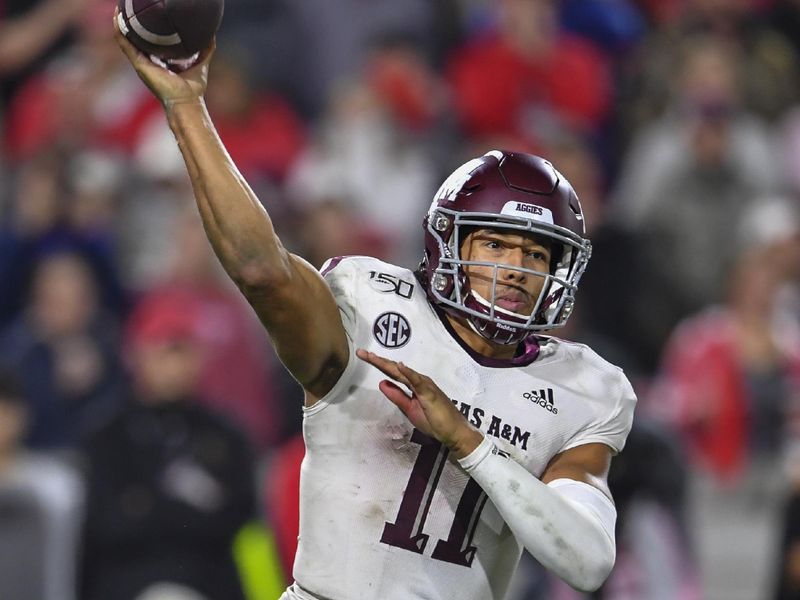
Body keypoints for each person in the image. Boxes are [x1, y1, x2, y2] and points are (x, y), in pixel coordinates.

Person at [113, 15, 636, 599]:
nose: (516, 268)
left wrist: (470, 444)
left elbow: (588, 561)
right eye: (494, 244)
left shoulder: (583, 386)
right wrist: (187, 108)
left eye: (537, 254)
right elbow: (263, 271)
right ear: (449, 244)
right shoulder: (372, 304)